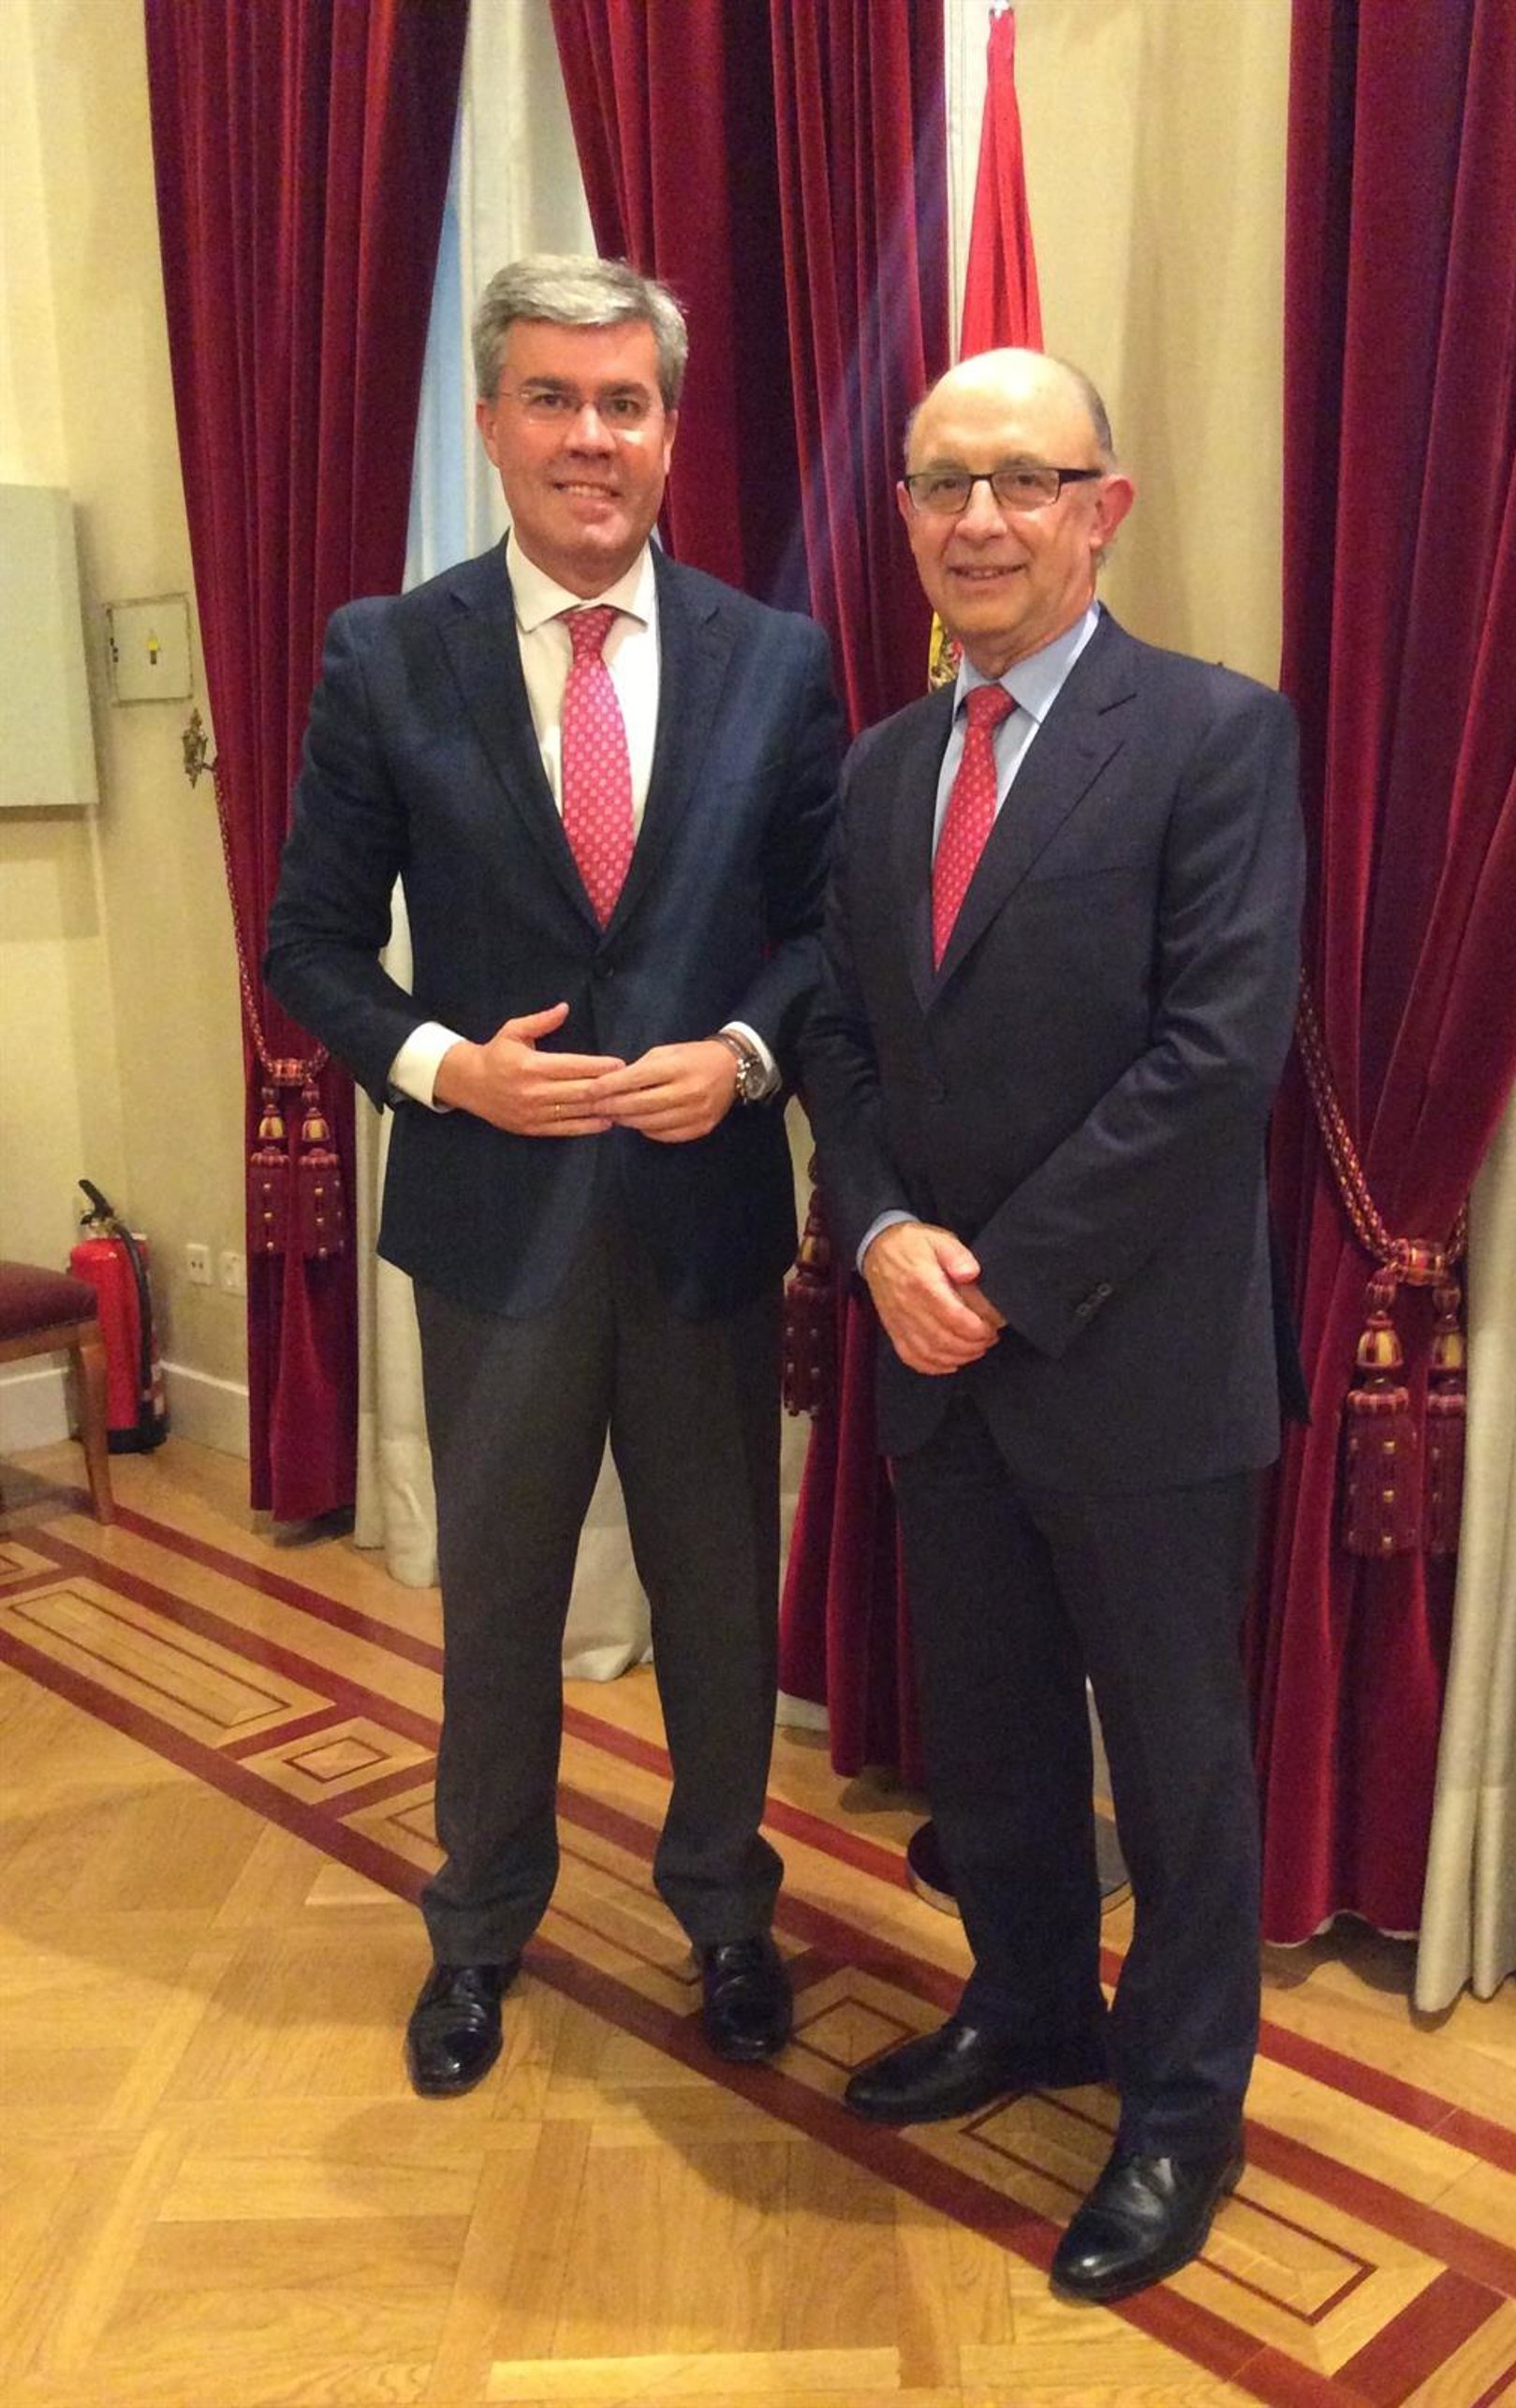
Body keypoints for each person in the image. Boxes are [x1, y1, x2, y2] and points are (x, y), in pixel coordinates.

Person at [266, 256, 842, 2097]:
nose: (590, 437)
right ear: (493, 422)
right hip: (492, 1222)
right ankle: (478, 1925)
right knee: (500, 1599)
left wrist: (743, 1055)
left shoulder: (777, 658)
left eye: (624, 403)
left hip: (700, 1220)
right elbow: (310, 945)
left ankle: (728, 1912)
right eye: (553, 398)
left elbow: (830, 931)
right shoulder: (387, 652)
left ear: (668, 431)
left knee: (717, 1603)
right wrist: (452, 1071)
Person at [802, 349, 1303, 2304]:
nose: (981, 519)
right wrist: (879, 1232)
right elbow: (843, 1033)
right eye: (944, 484)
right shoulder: (878, 768)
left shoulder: (1214, 736)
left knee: (1176, 1770)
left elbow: (1215, 1057)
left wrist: (997, 1276)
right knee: (993, 1738)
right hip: (934, 1357)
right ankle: (1025, 2007)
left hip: (1136, 1363)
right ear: (906, 516)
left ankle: (1180, 2110)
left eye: (1024, 479)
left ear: (1106, 506)